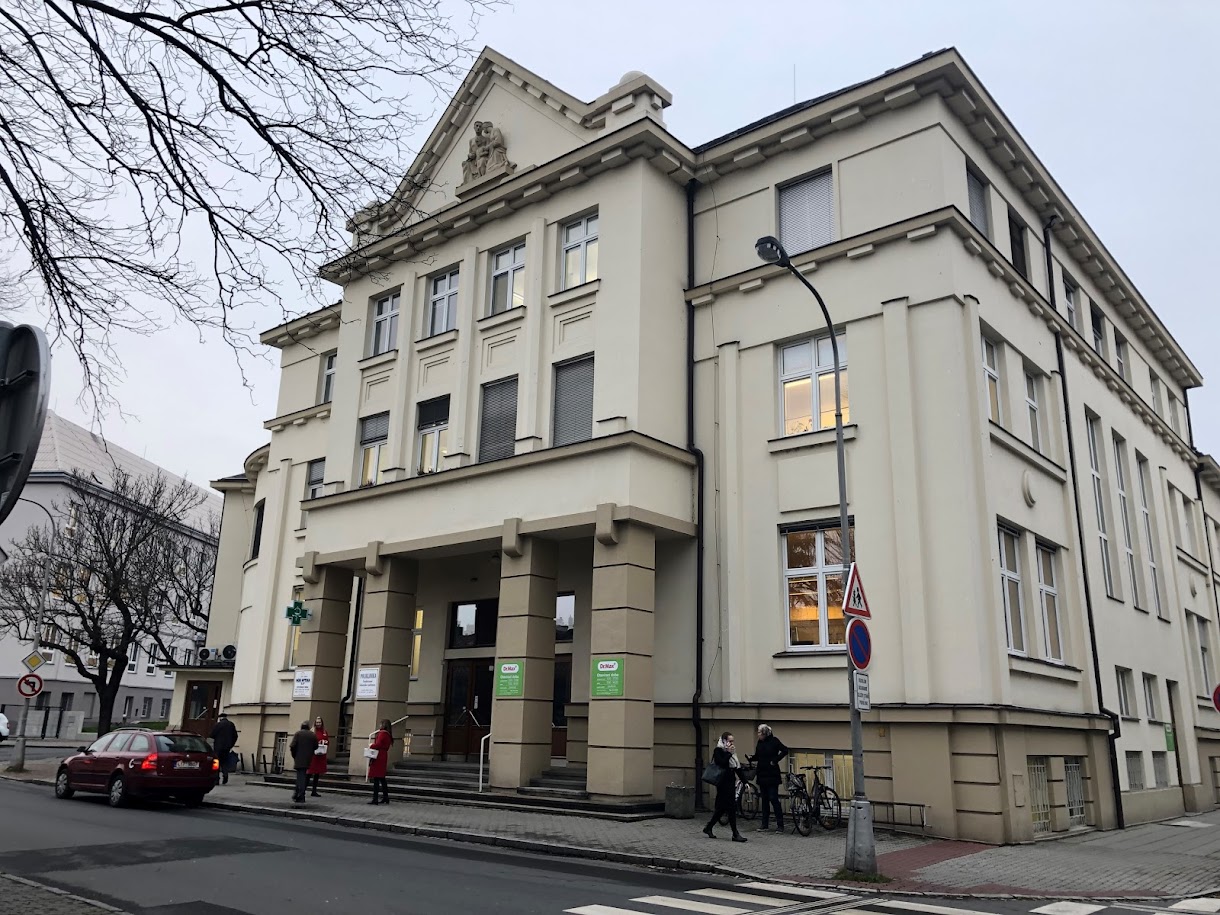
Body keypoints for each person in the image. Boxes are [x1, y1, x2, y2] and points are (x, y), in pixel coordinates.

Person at [703, 732, 747, 842]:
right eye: (729, 741)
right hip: (722, 782)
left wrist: (745, 781)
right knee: (731, 807)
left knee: (722, 808)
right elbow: (722, 763)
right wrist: (728, 753)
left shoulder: (732, 752)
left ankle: (709, 827)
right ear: (724, 741)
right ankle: (735, 834)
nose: (731, 743)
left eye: (732, 741)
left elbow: (736, 767)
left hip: (730, 781)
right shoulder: (718, 751)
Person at [752, 723, 788, 833]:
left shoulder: (774, 741)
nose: (758, 734)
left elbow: (785, 750)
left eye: (759, 732)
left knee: (773, 798)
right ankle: (765, 824)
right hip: (762, 773)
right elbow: (758, 755)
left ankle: (780, 825)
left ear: (765, 733)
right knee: (764, 800)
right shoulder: (760, 742)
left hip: (772, 774)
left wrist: (775, 760)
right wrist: (751, 758)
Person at [288, 721, 318, 804]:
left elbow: (292, 746)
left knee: (301, 777)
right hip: (308, 759)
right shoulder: (312, 735)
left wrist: (294, 755)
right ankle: (297, 794)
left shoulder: (298, 734)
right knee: (302, 776)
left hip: (299, 758)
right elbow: (316, 746)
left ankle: (300, 795)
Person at [366, 719, 393, 805]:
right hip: (383, 756)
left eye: (381, 724)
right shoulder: (388, 734)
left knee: (376, 778)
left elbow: (378, 744)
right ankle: (385, 797)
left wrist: (371, 745)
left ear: (383, 725)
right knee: (382, 778)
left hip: (378, 756)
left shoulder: (382, 733)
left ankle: (375, 799)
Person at [210, 712, 238, 785]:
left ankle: (216, 779)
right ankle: (225, 775)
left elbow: (212, 735)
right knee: (224, 762)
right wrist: (231, 745)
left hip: (218, 747)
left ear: (220, 718)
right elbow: (235, 736)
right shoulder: (231, 725)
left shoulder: (218, 725)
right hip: (227, 747)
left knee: (216, 762)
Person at [307, 715, 329, 797]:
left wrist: (325, 743)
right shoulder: (312, 731)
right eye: (317, 722)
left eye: (319, 722)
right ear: (315, 723)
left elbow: (327, 741)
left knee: (317, 774)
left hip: (321, 755)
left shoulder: (324, 731)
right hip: (313, 756)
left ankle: (314, 791)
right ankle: (303, 790)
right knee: (309, 774)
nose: (318, 724)